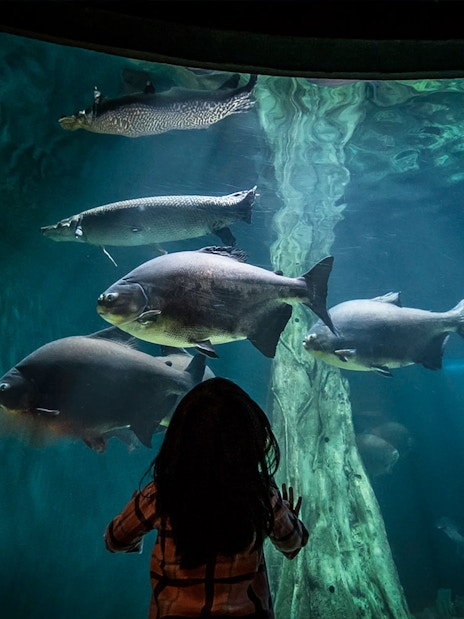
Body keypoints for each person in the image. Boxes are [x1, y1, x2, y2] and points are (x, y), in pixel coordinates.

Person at [104, 377, 308, 618]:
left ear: (179, 440)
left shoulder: (160, 494)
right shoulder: (260, 493)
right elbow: (293, 541)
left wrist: (133, 513)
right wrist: (289, 515)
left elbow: (115, 540)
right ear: (249, 440)